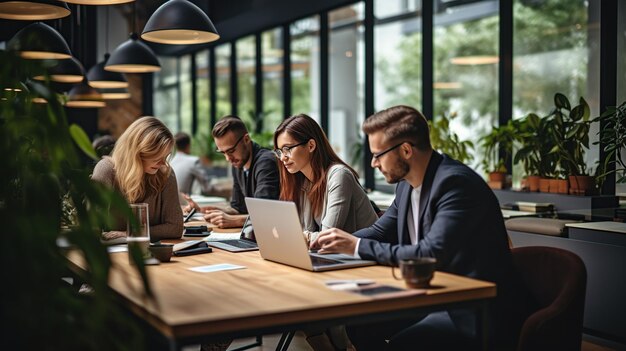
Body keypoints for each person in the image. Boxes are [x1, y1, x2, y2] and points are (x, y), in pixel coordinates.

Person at [311, 105, 534, 350]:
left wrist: (356, 246)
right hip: (430, 294)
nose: (373, 163)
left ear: (406, 150)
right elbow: (379, 231)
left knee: (407, 342)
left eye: (378, 155)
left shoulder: (455, 185)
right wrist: (326, 242)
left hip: (474, 310)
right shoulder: (406, 185)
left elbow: (429, 254)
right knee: (359, 322)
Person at [274, 114, 378, 350]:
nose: (283, 158)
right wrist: (300, 236)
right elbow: (307, 233)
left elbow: (328, 234)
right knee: (291, 292)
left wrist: (300, 236)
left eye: (288, 149)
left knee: (302, 298)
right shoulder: (304, 181)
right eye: (279, 151)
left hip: (362, 264)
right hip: (334, 261)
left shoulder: (338, 175)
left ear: (311, 145)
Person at [92, 117, 184, 243]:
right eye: (157, 156)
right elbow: (91, 227)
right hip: (112, 255)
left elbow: (175, 228)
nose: (163, 163)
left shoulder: (165, 172)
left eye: (166, 156)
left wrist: (128, 234)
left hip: (153, 252)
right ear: (137, 152)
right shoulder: (106, 170)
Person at [185, 116, 280, 228]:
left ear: (246, 139)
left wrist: (235, 221)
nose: (228, 158)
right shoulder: (238, 163)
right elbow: (238, 208)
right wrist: (206, 211)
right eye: (223, 153)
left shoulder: (266, 162)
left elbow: (263, 213)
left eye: (231, 151)